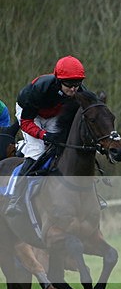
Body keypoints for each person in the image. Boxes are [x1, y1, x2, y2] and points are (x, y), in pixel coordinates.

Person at [5, 56, 87, 216]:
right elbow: (26, 123)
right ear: (58, 80)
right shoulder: (39, 89)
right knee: (37, 151)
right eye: (69, 84)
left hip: (53, 114)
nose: (73, 89)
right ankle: (15, 198)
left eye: (77, 84)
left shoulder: (79, 90)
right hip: (30, 114)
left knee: (64, 149)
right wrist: (44, 135)